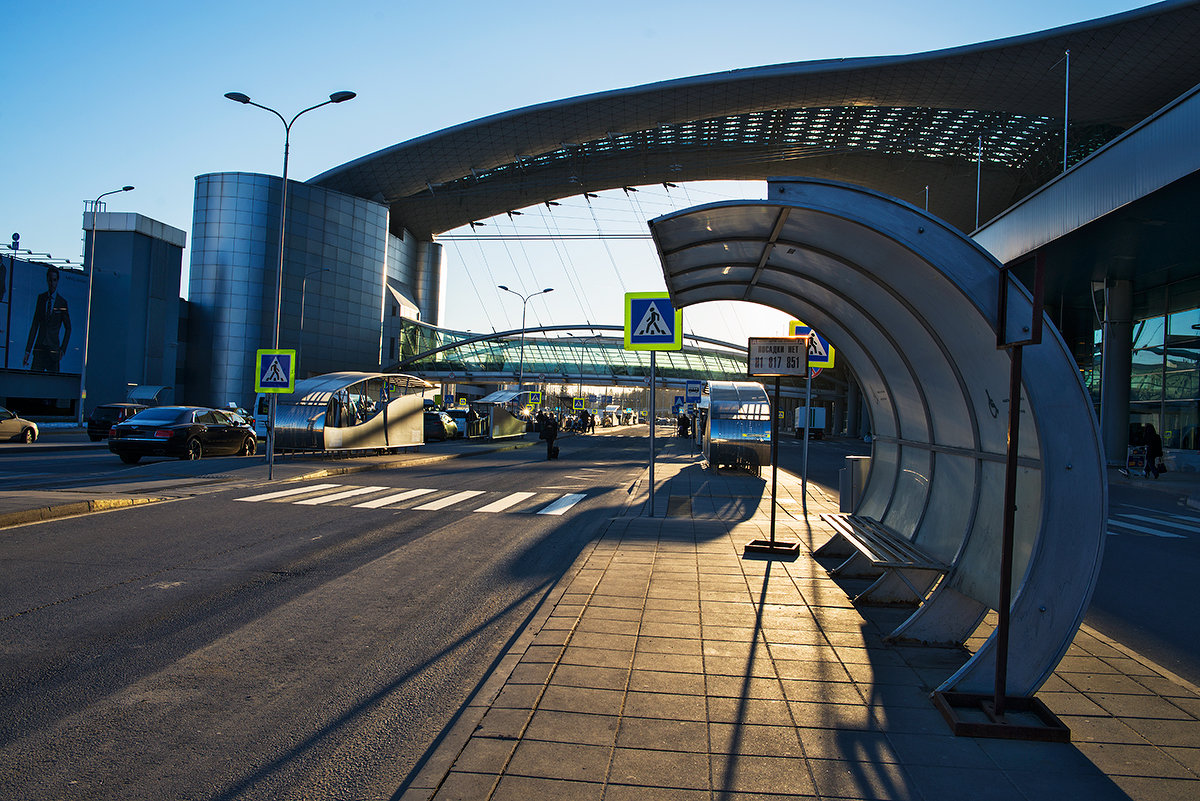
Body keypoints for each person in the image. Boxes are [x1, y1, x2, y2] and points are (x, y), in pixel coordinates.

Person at [23, 264, 71, 372]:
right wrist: (28, 351)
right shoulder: (41, 299)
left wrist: (63, 349)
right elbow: (35, 325)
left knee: (54, 384)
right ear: (47, 280)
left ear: (57, 281)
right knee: (34, 381)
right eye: (50, 280)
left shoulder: (62, 302)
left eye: (54, 280)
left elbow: (68, 328)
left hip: (53, 351)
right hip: (40, 349)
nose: (52, 283)